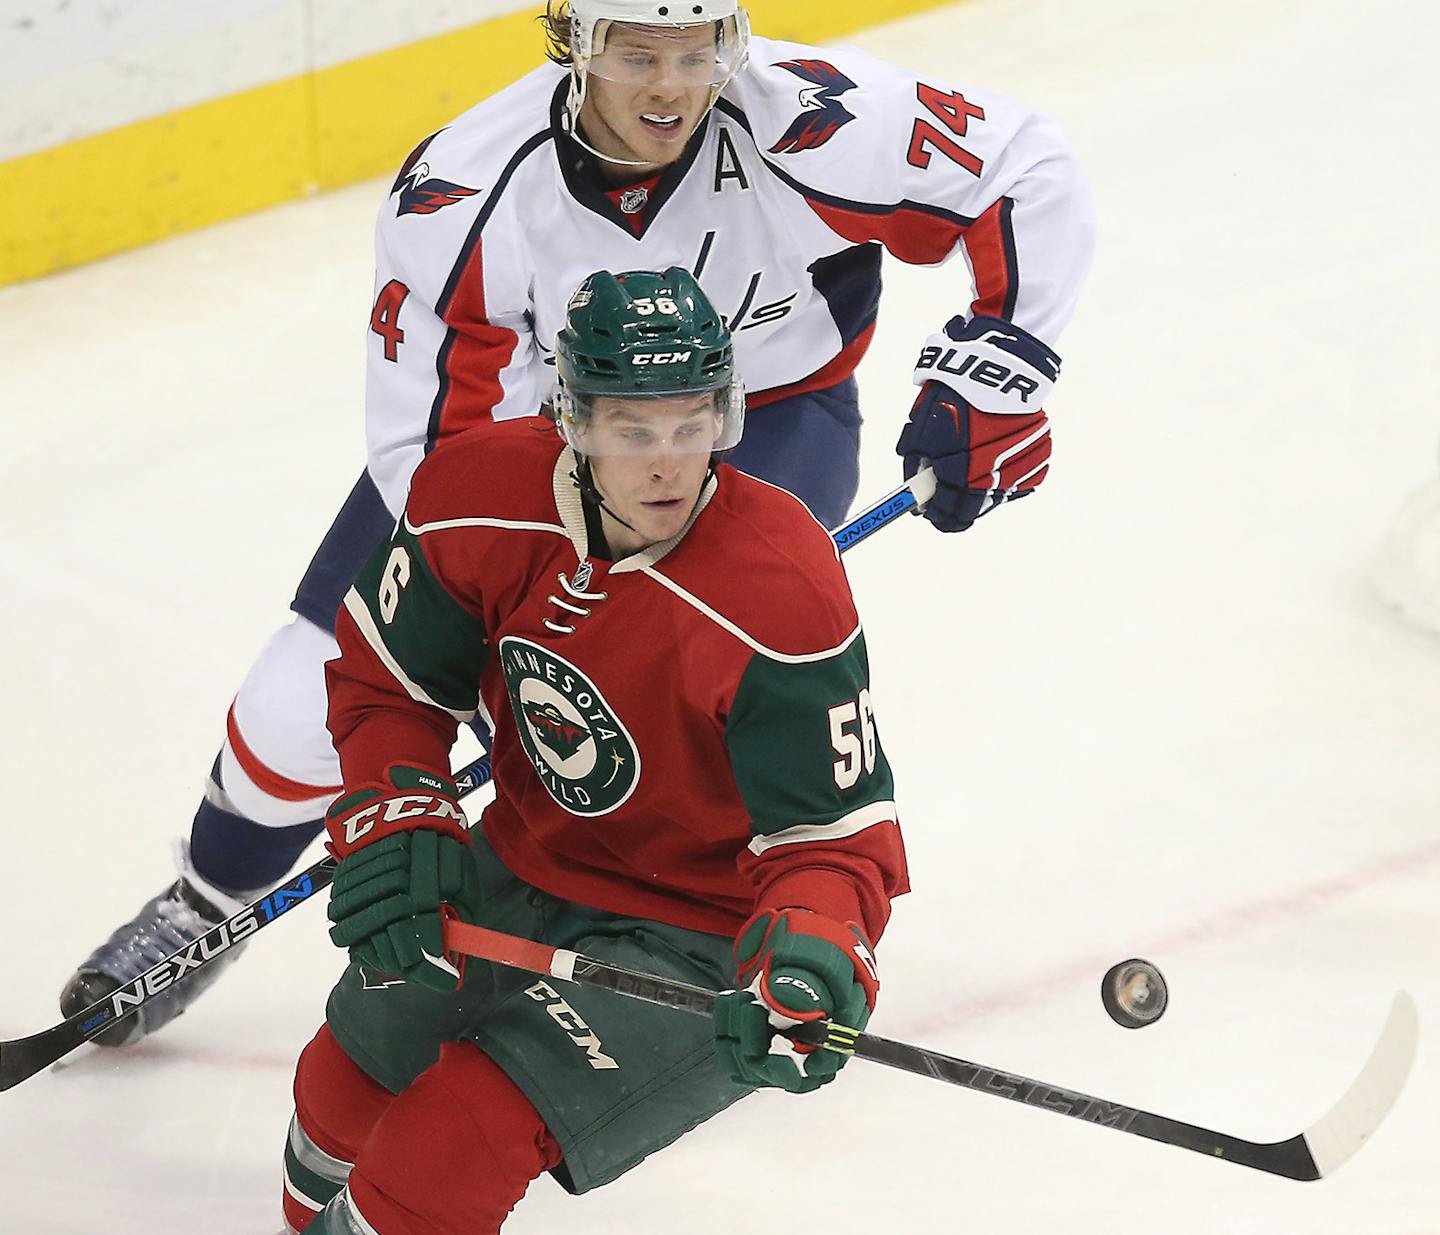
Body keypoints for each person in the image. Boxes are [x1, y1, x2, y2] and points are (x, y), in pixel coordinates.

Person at [62, 0, 1092, 1042]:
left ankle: (736, 932)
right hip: (525, 454)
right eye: (637, 53)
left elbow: (1024, 168)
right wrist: (494, 650)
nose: (670, 87)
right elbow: (432, 463)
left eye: (698, 53)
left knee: (700, 700)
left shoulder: (810, 121)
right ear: (576, 43)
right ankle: (202, 900)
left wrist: (999, 372)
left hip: (761, 427)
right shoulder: (465, 192)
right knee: (297, 701)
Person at [278, 267, 907, 1233]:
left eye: (693, 424)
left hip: (699, 935)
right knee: (351, 1067)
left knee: (451, 1145)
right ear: (572, 418)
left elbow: (833, 840)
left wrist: (815, 948)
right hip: (530, 858)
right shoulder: (474, 492)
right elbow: (389, 681)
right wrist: (401, 804)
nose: (668, 463)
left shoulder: (781, 586)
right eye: (633, 430)